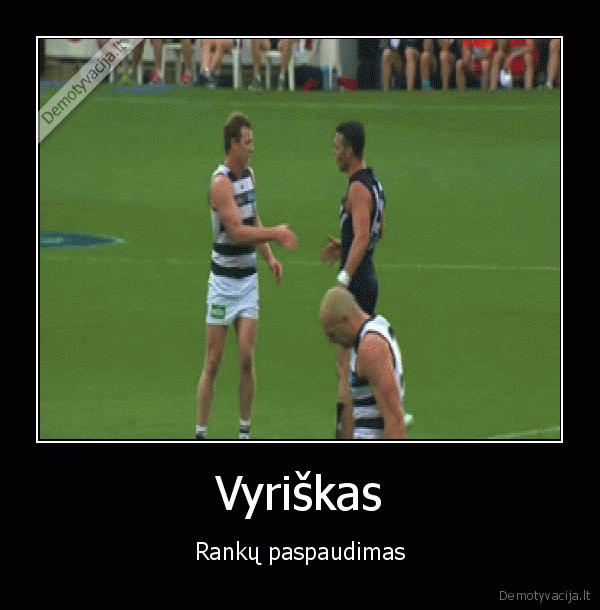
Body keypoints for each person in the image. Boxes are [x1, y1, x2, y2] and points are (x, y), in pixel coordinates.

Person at [196, 112, 297, 439]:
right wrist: (277, 234)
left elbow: (253, 219)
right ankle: (201, 432)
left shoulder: (249, 176)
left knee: (245, 358)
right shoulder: (220, 184)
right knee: (213, 361)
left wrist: (269, 258)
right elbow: (238, 232)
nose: (253, 148)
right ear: (233, 144)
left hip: (247, 281)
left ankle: (244, 433)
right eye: (248, 142)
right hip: (223, 284)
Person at [320, 121, 385, 439]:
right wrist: (344, 248)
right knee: (353, 364)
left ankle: (346, 434)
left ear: (349, 151)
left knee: (345, 368)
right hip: (368, 277)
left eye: (337, 147)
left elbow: (361, 237)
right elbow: (376, 232)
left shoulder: (357, 188)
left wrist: (342, 279)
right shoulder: (374, 183)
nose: (334, 153)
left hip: (357, 283)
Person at [319, 286, 407, 439]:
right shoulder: (365, 335)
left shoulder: (371, 348)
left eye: (332, 334)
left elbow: (395, 421)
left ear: (345, 320)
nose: (331, 341)